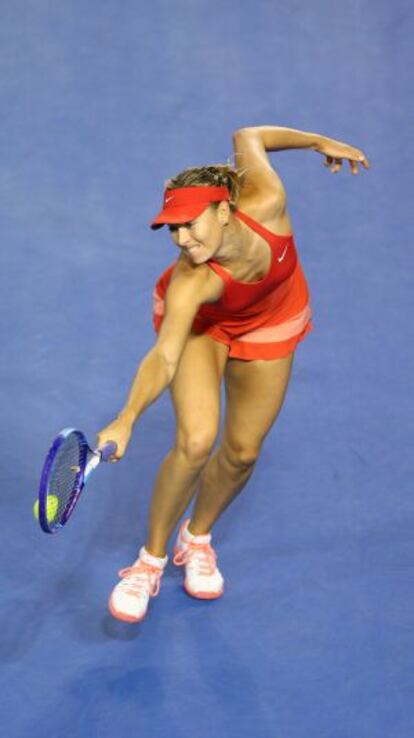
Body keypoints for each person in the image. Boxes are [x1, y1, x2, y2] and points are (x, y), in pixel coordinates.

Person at [97, 126, 370, 623]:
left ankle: (196, 537)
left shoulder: (268, 199)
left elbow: (250, 135)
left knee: (243, 451)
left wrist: (316, 144)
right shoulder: (191, 280)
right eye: (172, 228)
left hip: (272, 319)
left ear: (224, 211)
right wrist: (127, 418)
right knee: (196, 441)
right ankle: (149, 561)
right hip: (205, 326)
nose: (182, 239)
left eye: (190, 224)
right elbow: (165, 356)